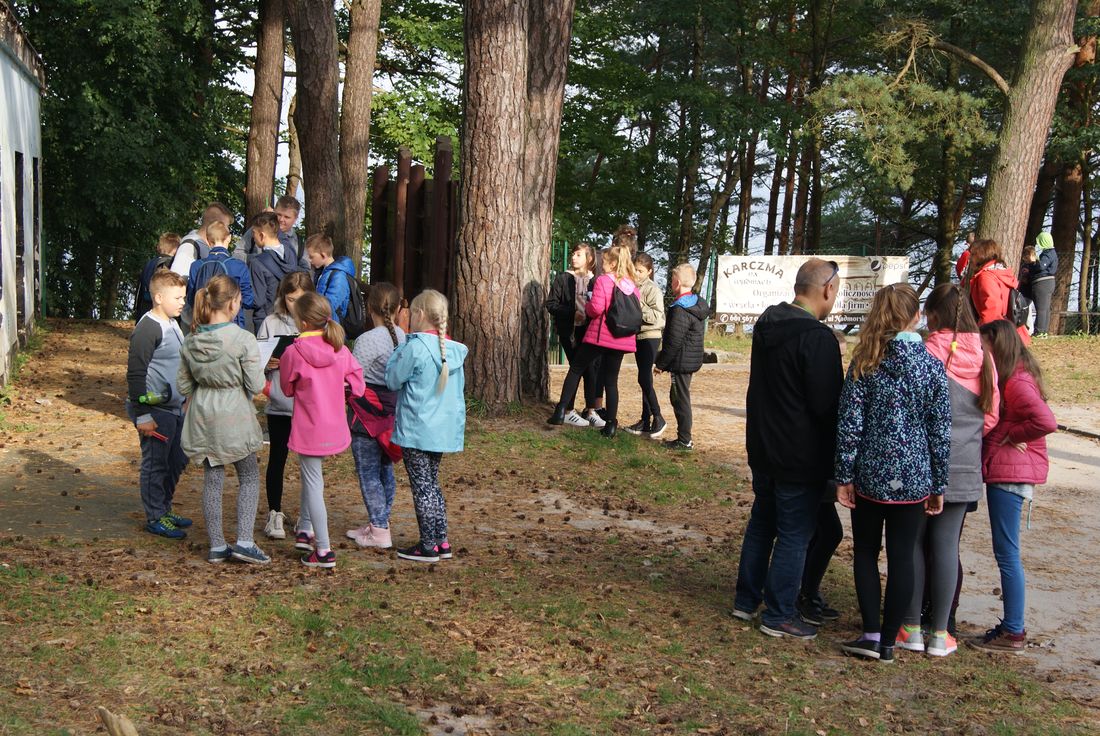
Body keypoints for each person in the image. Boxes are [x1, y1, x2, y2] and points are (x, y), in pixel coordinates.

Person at [834, 284, 951, 663]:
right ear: (916, 316)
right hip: (914, 477)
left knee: (866, 552)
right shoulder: (931, 366)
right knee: (903, 556)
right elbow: (940, 430)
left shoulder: (865, 362)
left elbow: (850, 424)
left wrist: (843, 475)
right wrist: (938, 483)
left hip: (870, 473)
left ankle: (871, 633)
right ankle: (888, 641)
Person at [734, 258, 843, 640]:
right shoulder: (817, 338)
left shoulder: (768, 323)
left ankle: (746, 600)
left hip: (764, 445)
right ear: (827, 289)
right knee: (795, 533)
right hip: (799, 453)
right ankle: (779, 613)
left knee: (762, 523)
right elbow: (828, 405)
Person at [896, 284, 999, 657]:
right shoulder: (985, 358)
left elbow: (911, 408)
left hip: (924, 462)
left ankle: (910, 627)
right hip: (966, 464)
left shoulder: (928, 351)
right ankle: (941, 633)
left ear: (933, 315)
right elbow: (992, 416)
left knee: (913, 543)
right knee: (946, 546)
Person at [970, 320, 1057, 653]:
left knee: (1007, 554)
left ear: (997, 344)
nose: (982, 352)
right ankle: (1012, 627)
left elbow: (1045, 421)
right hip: (1007, 471)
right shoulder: (1014, 375)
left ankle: (1014, 631)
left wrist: (1013, 435)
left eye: (985, 346)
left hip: (1010, 475)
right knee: (1006, 553)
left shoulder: (1017, 381)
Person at [177, 275, 269, 564]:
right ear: (232, 303)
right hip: (234, 413)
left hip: (203, 414)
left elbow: (183, 385)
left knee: (213, 478)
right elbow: (255, 385)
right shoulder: (243, 339)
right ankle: (245, 541)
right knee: (249, 475)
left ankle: (217, 545)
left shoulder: (191, 340)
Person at [279, 292, 366, 568]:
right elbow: (359, 385)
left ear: (302, 322)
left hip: (309, 428)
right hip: (334, 427)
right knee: (312, 478)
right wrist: (340, 387)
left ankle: (324, 549)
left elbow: (287, 388)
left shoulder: (293, 352)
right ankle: (305, 528)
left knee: (314, 483)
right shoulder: (340, 349)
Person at [385, 289, 468, 562]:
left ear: (419, 314)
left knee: (423, 487)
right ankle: (441, 541)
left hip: (417, 429)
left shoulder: (415, 348)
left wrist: (400, 348)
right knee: (431, 484)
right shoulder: (452, 351)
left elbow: (392, 380)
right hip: (441, 430)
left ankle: (428, 545)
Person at [547, 244, 640, 438]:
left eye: (605, 261)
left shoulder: (604, 281)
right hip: (621, 339)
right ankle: (611, 424)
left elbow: (596, 308)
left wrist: (587, 308)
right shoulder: (631, 286)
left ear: (613, 264)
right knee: (611, 381)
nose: (601, 264)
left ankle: (561, 410)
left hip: (600, 336)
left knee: (576, 369)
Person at [126, 270, 190, 539]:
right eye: (178, 298)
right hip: (155, 411)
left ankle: (164, 507)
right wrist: (143, 415)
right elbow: (135, 373)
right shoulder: (148, 328)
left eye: (184, 297)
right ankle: (155, 517)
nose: (183, 302)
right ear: (159, 297)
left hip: (175, 408)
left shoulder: (173, 323)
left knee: (177, 459)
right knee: (156, 463)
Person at [346, 282, 406, 549]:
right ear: (398, 308)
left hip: (366, 415)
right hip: (394, 413)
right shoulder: (403, 336)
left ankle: (380, 530)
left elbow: (353, 376)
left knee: (368, 472)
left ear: (369, 308)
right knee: (385, 469)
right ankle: (380, 521)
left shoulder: (366, 340)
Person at [256, 271, 315, 540]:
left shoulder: (318, 323)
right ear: (283, 297)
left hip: (308, 405)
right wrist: (266, 363)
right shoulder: (271, 322)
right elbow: (255, 361)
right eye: (290, 299)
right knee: (277, 458)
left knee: (310, 465)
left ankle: (307, 516)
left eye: (300, 299)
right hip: (280, 402)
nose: (294, 305)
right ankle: (274, 512)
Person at [544, 243, 600, 428]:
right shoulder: (563, 278)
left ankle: (590, 411)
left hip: (589, 332)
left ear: (589, 259)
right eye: (573, 254)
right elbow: (551, 304)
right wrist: (571, 313)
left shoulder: (595, 280)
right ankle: (568, 411)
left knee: (590, 369)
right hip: (569, 332)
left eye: (578, 254)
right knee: (578, 367)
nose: (573, 257)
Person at [653, 263, 708, 450]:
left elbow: (673, 341)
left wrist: (660, 364)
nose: (671, 283)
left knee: (679, 399)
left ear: (676, 282)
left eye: (672, 280)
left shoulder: (680, 309)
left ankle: (684, 440)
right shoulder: (695, 303)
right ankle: (684, 438)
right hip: (689, 359)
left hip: (682, 362)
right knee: (679, 397)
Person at [625, 252, 667, 438]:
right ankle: (645, 420)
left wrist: (637, 305)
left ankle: (658, 416)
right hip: (638, 336)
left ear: (649, 271)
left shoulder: (652, 289)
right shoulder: (631, 286)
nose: (636, 273)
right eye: (634, 269)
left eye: (640, 270)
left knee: (644, 378)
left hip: (650, 336)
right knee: (644, 378)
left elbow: (657, 317)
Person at [186, 221, 255, 330]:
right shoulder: (239, 266)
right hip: (232, 325)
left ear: (207, 240)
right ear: (229, 238)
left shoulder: (196, 266)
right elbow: (248, 300)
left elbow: (191, 299)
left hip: (203, 324)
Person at [966, 238, 1031, 345]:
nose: (970, 258)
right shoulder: (999, 272)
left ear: (982, 255)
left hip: (1000, 337)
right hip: (1013, 333)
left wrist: (985, 338)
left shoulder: (986, 277)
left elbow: (992, 310)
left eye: (973, 254)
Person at [250, 211, 306, 331]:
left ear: (262, 235)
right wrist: (272, 220)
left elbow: (258, 300)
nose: (253, 237)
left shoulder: (257, 262)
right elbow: (282, 237)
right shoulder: (290, 252)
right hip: (291, 317)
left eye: (253, 233)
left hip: (266, 320)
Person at [234, 196, 308, 269]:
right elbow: (236, 255)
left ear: (295, 219)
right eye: (278, 215)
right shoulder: (257, 231)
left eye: (287, 217)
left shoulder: (299, 243)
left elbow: (307, 270)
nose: (281, 219)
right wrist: (259, 259)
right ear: (274, 211)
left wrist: (285, 268)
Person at [171, 202, 233, 278]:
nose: (228, 231)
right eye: (226, 226)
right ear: (215, 225)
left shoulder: (207, 247)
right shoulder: (189, 246)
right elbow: (177, 279)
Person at [307, 234, 357, 324]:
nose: (310, 260)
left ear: (323, 255)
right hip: (323, 322)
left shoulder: (339, 276)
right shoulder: (322, 272)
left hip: (333, 326)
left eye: (311, 257)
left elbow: (330, 306)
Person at [134, 233, 180, 321]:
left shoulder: (150, 263)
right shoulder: (170, 263)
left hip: (144, 306)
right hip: (159, 309)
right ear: (176, 249)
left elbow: (140, 287)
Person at [1030, 232, 1058, 337]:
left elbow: (1041, 266)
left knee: (1041, 308)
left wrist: (1034, 263)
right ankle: (1044, 331)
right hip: (1049, 282)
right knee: (1045, 308)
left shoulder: (1048, 254)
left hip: (1043, 282)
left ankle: (1039, 331)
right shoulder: (1053, 253)